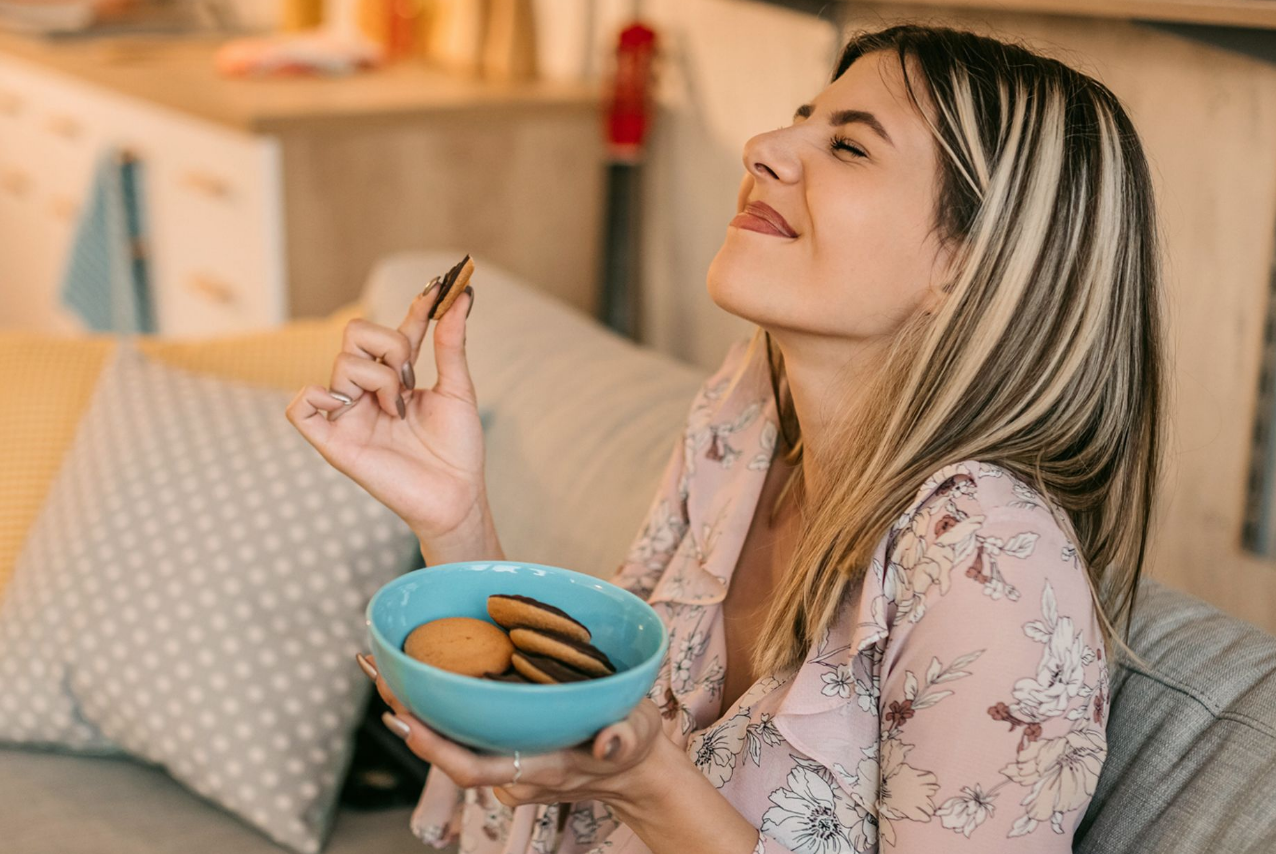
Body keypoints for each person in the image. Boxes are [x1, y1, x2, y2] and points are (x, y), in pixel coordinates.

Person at [286, 22, 1165, 854]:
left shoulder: (994, 563)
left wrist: (649, 784)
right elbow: (570, 752)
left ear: (970, 265)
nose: (763, 149)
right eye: (801, 122)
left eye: (849, 146)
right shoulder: (740, 423)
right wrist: (456, 521)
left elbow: (622, 768)